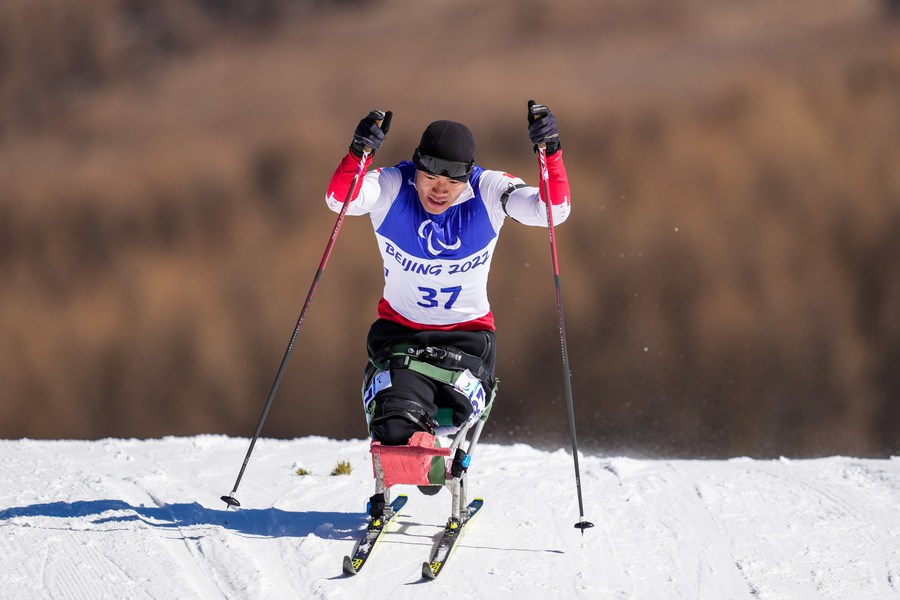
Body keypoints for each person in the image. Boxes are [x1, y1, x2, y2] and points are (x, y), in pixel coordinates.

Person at [325, 100, 572, 448]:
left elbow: (552, 213)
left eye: (451, 183)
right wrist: (358, 153)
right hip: (400, 336)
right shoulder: (394, 185)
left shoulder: (488, 189)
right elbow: (340, 201)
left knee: (457, 420)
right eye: (429, 178)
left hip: (467, 341)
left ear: (467, 176)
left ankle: (434, 450)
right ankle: (417, 450)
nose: (439, 191)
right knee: (394, 423)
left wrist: (551, 154)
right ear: (416, 168)